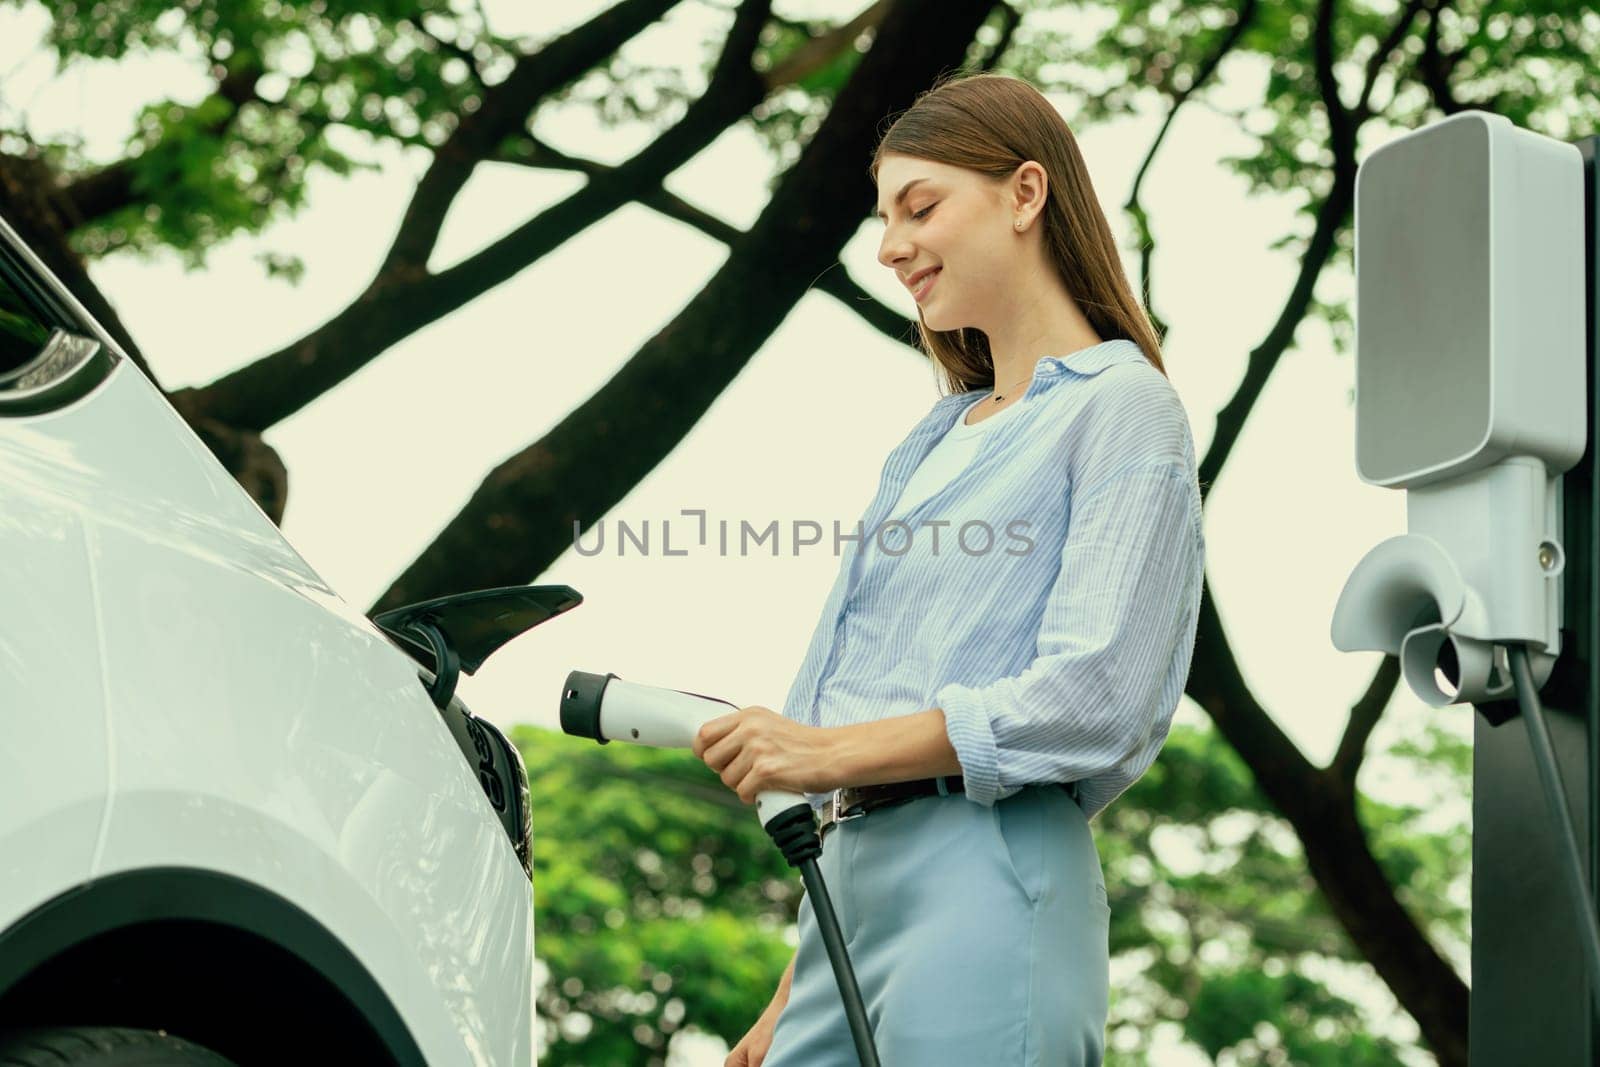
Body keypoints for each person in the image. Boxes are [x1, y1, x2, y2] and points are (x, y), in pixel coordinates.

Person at [696, 70, 1205, 1066]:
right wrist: (796, 978)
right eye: (882, 217)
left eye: (918, 206)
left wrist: (819, 753)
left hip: (988, 861)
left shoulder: (1120, 406)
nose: (888, 245)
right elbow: (858, 685)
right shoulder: (930, 439)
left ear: (1024, 193)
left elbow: (1095, 693)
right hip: (845, 884)